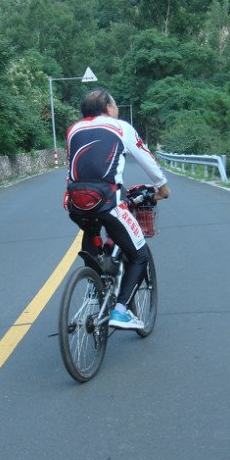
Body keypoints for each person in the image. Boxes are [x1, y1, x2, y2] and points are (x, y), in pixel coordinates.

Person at [64, 88, 170, 330]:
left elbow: (74, 168)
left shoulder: (73, 130)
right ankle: (121, 312)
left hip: (76, 202)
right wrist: (162, 188)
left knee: (91, 233)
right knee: (139, 254)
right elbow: (147, 160)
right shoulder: (119, 126)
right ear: (108, 108)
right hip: (107, 201)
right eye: (115, 104)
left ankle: (94, 287)